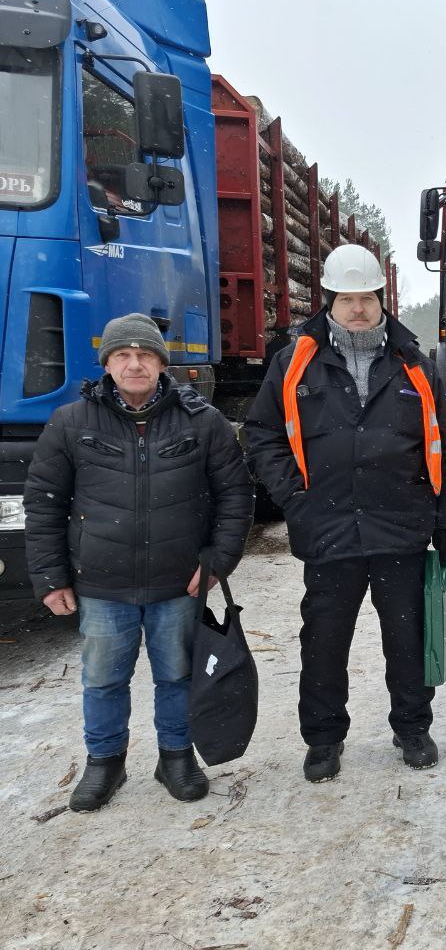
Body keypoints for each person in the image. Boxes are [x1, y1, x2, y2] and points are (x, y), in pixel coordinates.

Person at [244, 244, 446, 783]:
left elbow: (444, 446)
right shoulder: (294, 361)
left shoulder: (414, 364)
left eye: (367, 297)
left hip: (400, 527)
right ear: (329, 301)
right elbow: (262, 434)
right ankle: (323, 738)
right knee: (323, 641)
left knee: (408, 639)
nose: (358, 308)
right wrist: (295, 497)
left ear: (381, 299)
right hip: (328, 527)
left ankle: (412, 727)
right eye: (347, 299)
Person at [24, 313, 254, 812]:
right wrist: (50, 576)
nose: (134, 364)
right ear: (107, 364)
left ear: (161, 363)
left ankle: (176, 756)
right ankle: (105, 761)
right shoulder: (71, 423)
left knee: (177, 676)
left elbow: (236, 495)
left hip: (178, 582)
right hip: (101, 585)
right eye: (123, 355)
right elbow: (44, 502)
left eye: (145, 354)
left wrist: (218, 561)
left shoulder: (203, 422)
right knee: (103, 680)